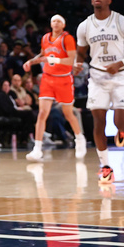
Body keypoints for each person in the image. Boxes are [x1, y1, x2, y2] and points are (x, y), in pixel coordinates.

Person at [76, 0, 124, 184]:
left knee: (119, 122)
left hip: (121, 77)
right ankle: (105, 167)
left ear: (109, 0)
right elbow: (81, 53)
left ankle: (123, 129)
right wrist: (78, 63)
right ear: (91, 1)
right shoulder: (84, 26)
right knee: (99, 121)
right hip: (97, 77)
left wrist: (120, 64)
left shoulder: (122, 21)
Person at [24, 14, 87, 161]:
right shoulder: (45, 38)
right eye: (53, 21)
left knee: (68, 113)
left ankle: (79, 139)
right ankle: (37, 149)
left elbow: (71, 60)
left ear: (63, 25)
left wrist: (53, 59)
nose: (56, 23)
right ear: (51, 24)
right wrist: (31, 62)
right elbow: (43, 54)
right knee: (42, 113)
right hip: (47, 79)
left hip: (64, 79)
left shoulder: (67, 39)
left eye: (59, 21)